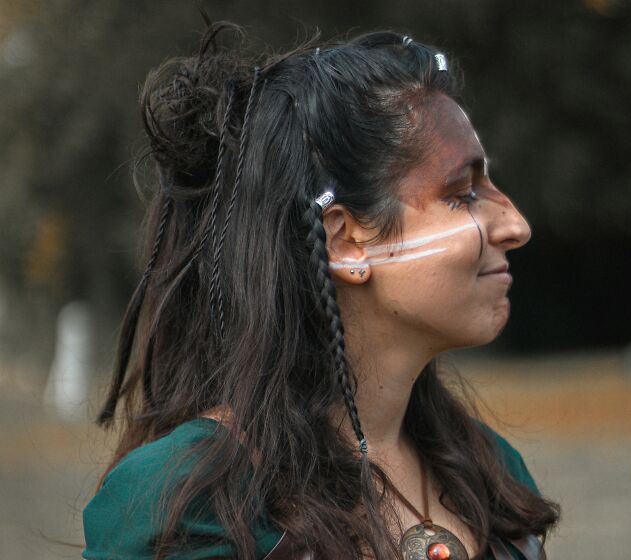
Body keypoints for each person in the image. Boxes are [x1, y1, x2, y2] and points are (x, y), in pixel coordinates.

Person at [83, 20, 560, 560]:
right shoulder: (191, 503)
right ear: (347, 243)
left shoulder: (490, 469)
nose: (515, 224)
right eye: (461, 193)